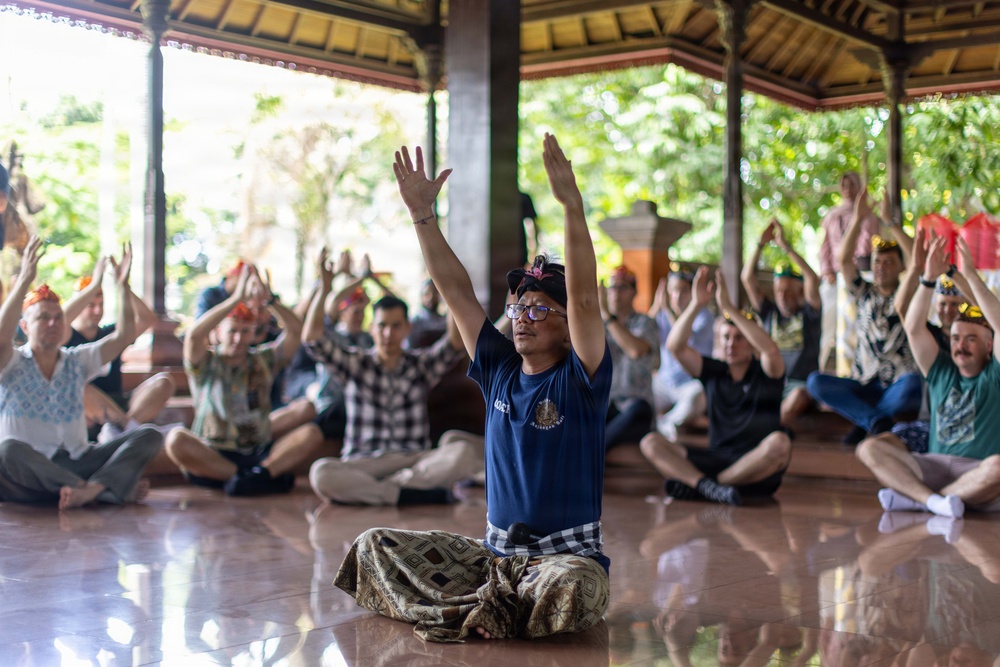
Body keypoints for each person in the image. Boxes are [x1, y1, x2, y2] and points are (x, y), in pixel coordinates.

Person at [333, 134, 611, 642]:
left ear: (569, 325)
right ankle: (490, 608)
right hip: (494, 560)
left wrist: (572, 206)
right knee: (374, 547)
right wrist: (422, 217)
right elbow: (456, 291)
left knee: (577, 587)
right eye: (517, 307)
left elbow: (587, 298)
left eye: (539, 308)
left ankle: (470, 611)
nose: (522, 317)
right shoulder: (499, 369)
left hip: (563, 560)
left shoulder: (581, 378)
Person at [304, 245, 477, 506]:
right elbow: (312, 338)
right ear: (372, 329)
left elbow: (454, 343)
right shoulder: (355, 363)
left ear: (407, 328)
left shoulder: (420, 365)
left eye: (396, 326)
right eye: (382, 326)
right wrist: (325, 288)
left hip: (414, 459)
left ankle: (384, 492)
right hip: (363, 462)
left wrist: (448, 288)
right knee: (321, 472)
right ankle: (407, 493)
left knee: (462, 453)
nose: (388, 334)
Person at [0, 236, 162, 510]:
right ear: (25, 327)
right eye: (42, 318)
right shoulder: (11, 361)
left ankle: (84, 489)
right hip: (28, 471)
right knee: (7, 450)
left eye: (58, 317)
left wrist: (122, 287)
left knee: (149, 435)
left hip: (78, 460)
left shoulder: (78, 360)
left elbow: (123, 336)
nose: (52, 323)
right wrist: (26, 279)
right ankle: (97, 490)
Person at [855, 235, 1000, 519]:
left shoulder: (994, 374)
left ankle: (922, 501)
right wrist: (928, 278)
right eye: (957, 338)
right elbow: (912, 328)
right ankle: (937, 501)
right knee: (869, 448)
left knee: (998, 468)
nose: (961, 345)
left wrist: (966, 274)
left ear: (989, 345)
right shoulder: (941, 369)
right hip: (933, 465)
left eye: (971, 339)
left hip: (977, 469)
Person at [164, 264, 325, 496]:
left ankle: (254, 477)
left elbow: (296, 331)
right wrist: (236, 299)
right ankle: (249, 479)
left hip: (257, 451)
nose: (239, 338)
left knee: (312, 433)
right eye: (232, 331)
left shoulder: (263, 359)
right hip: (215, 453)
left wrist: (270, 301)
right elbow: (194, 335)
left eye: (245, 331)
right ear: (218, 333)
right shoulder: (205, 362)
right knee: (176, 440)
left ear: (253, 333)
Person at [640, 268, 790, 506]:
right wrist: (697, 304)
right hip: (716, 457)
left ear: (751, 344)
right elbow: (675, 346)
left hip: (753, 467)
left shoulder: (766, 372)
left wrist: (729, 309)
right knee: (650, 442)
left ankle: (706, 487)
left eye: (739, 338)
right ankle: (708, 486)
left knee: (780, 443)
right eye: (726, 338)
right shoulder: (714, 371)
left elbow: (770, 349)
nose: (731, 344)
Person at [807, 189, 922, 444]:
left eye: (889, 262)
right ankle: (874, 420)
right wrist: (858, 219)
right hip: (863, 385)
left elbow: (918, 260)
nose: (881, 267)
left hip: (895, 386)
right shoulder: (864, 292)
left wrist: (890, 222)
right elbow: (843, 259)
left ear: (901, 267)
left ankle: (865, 422)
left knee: (914, 384)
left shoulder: (908, 293)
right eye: (877, 262)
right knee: (815, 382)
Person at [62, 247, 177, 443]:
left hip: (118, 402)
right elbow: (60, 319)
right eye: (90, 304)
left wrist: (123, 285)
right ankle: (129, 432)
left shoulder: (110, 333)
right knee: (77, 386)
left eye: (101, 303)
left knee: (164, 382)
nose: (97, 310)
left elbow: (147, 319)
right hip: (84, 409)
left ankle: (123, 431)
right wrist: (93, 285)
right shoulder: (65, 335)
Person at [742, 219, 822, 429]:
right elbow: (747, 278)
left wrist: (786, 247)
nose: (782, 296)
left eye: (788, 291)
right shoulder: (769, 312)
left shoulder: (809, 314)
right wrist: (760, 244)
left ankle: (769, 431)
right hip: (772, 383)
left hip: (800, 386)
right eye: (778, 290)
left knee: (797, 397)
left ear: (799, 294)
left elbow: (812, 278)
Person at [818, 171, 880, 372]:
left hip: (857, 277)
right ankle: (824, 364)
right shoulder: (833, 216)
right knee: (828, 324)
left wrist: (850, 270)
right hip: (834, 277)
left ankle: (856, 367)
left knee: (855, 323)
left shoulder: (868, 215)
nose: (848, 190)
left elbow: (867, 246)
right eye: (844, 186)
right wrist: (827, 270)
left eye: (852, 185)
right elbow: (826, 245)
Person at [648, 264, 714, 442]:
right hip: (665, 381)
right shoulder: (662, 314)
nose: (677, 296)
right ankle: (661, 422)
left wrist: (669, 312)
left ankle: (668, 423)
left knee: (698, 395)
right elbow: (645, 332)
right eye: (673, 291)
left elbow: (682, 342)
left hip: (690, 384)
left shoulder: (704, 316)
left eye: (683, 291)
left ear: (692, 292)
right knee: (642, 390)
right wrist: (656, 306)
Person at [601, 264, 659, 449]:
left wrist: (607, 316)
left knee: (638, 410)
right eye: (612, 288)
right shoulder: (598, 325)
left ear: (634, 293)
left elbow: (635, 350)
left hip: (636, 407)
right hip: (607, 406)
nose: (615, 293)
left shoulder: (645, 322)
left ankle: (593, 452)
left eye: (622, 287)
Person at [405, 278, 447, 349]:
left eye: (435, 293)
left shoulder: (445, 322)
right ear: (421, 296)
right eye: (427, 294)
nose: (431, 297)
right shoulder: (414, 322)